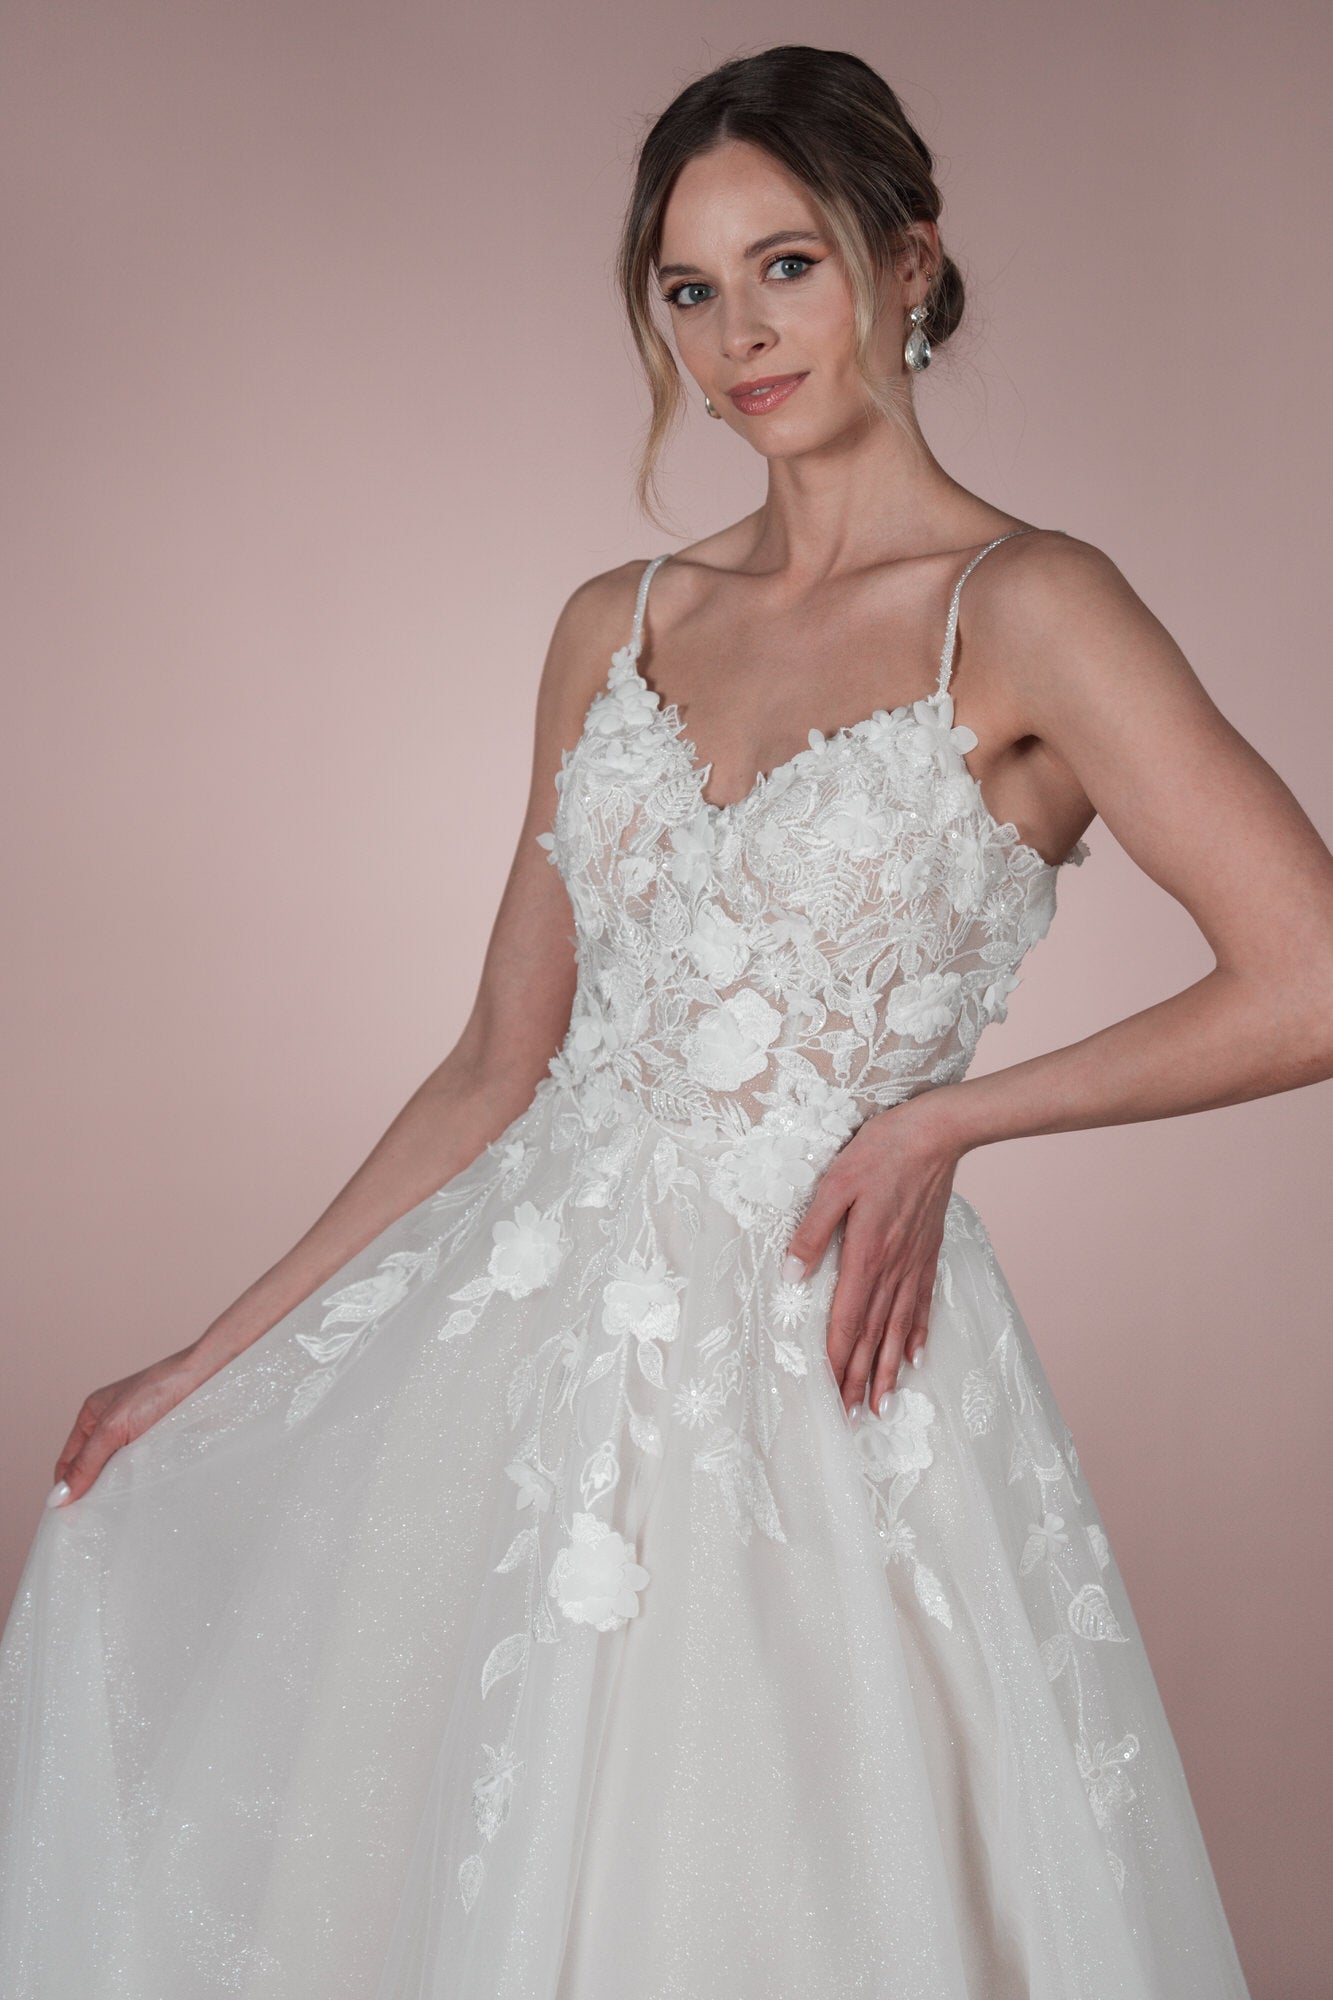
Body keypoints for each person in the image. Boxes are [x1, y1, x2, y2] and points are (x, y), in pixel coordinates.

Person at [2, 41, 1327, 2000]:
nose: (736, 337)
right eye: (689, 290)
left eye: (786, 266)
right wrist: (208, 1358)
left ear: (906, 261)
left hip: (818, 1371)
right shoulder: (611, 625)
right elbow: (497, 1059)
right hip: (535, 1379)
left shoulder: (1031, 608)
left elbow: (1309, 973)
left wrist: (941, 1122)